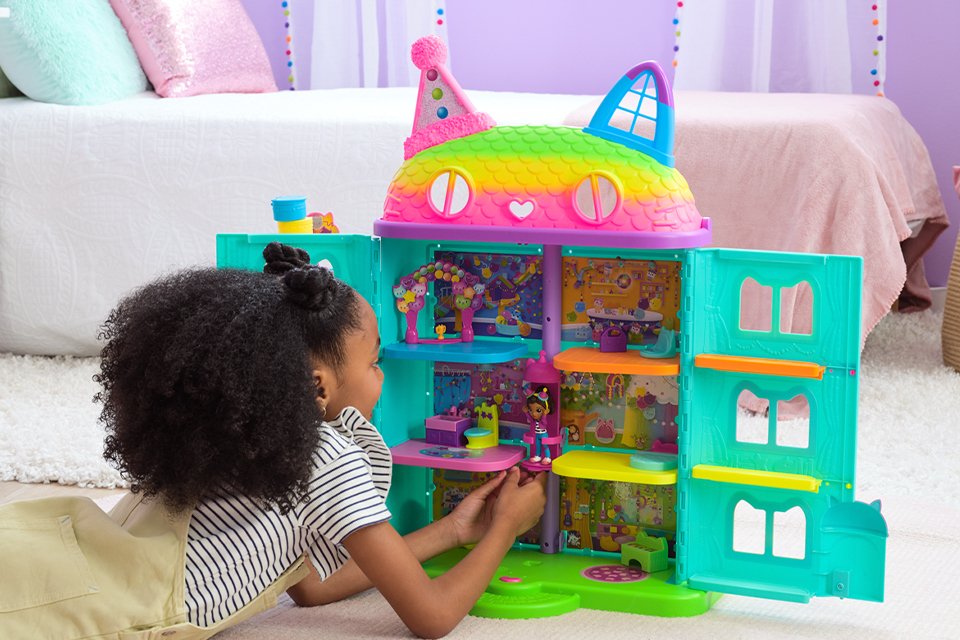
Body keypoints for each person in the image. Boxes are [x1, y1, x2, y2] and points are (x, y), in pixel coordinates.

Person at [91, 242, 546, 638]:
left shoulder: (235, 439)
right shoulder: (327, 457)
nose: (381, 375)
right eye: (374, 361)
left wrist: (453, 530)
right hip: (100, 619)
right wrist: (505, 526)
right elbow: (433, 615)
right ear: (318, 387)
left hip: (88, 568)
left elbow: (310, 587)